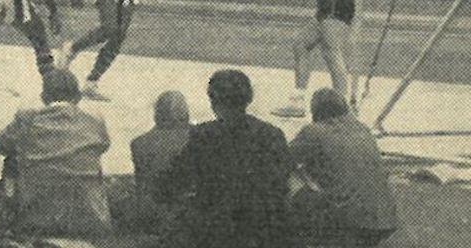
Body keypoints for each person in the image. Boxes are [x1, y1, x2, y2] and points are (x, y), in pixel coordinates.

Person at [158, 69, 292, 248]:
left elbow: (175, 182)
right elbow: (282, 183)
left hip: (218, 232)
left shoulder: (204, 135)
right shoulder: (272, 134)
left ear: (213, 101)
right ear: (248, 98)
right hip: (264, 231)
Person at [0, 68, 112, 237]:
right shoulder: (94, 121)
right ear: (77, 97)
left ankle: (7, 217)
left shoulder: (27, 118)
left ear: (44, 97)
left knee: (11, 159)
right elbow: (104, 146)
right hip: (90, 219)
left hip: (38, 219)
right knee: (88, 158)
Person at [289, 88, 401, 247]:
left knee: (289, 175)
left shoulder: (314, 131)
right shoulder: (363, 129)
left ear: (315, 112)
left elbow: (280, 159)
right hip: (384, 221)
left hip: (349, 223)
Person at [119, 90, 191, 233]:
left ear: (156, 114)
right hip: (189, 212)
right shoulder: (201, 138)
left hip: (152, 214)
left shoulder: (139, 143)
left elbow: (142, 184)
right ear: (186, 114)